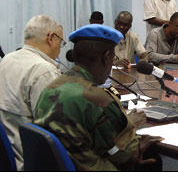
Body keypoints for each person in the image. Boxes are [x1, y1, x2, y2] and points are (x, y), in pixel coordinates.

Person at [34, 24, 162, 171]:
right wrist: (130, 124)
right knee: (151, 159)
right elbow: (125, 155)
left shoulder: (51, 87)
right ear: (107, 57)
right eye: (113, 56)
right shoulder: (98, 99)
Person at [0, 15, 63, 170]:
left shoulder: (7, 59)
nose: (60, 48)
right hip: (31, 162)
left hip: (10, 155)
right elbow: (56, 129)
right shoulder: (44, 71)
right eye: (61, 41)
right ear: (51, 38)